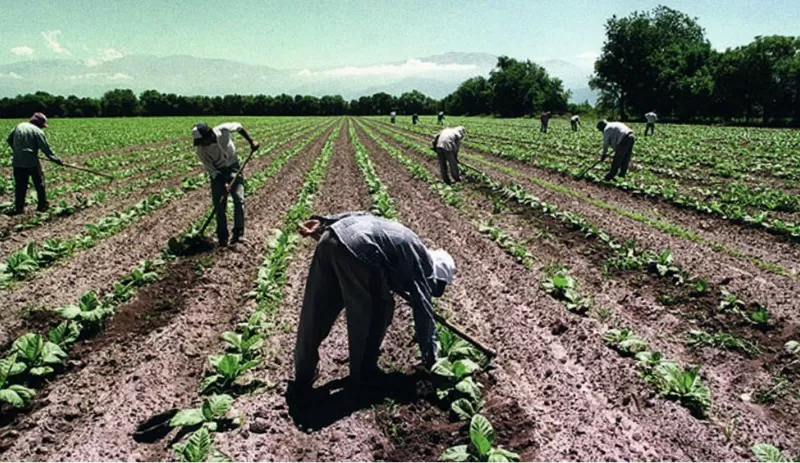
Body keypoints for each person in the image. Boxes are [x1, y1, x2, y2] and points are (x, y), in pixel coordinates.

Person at [293, 212, 456, 391]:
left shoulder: (407, 243)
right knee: (378, 310)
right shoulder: (422, 263)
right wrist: (431, 360)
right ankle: (364, 374)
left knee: (317, 310)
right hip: (359, 250)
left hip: (330, 237)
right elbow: (424, 312)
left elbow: (363, 215)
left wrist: (324, 222)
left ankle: (304, 373)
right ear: (436, 275)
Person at [191, 121, 259, 247]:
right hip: (218, 173)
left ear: (209, 135)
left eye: (203, 141)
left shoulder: (223, 130)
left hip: (234, 167)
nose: (202, 145)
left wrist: (251, 141)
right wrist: (223, 182)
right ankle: (222, 236)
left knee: (239, 200)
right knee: (219, 204)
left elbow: (239, 127)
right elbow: (211, 169)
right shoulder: (201, 151)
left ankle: (238, 234)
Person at [6, 112, 63, 215]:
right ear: (39, 123)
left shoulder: (19, 126)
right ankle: (42, 206)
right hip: (31, 161)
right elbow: (46, 149)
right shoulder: (38, 131)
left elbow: (9, 139)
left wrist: (18, 150)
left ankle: (19, 208)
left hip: (17, 161)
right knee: (39, 183)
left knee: (20, 185)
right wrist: (56, 160)